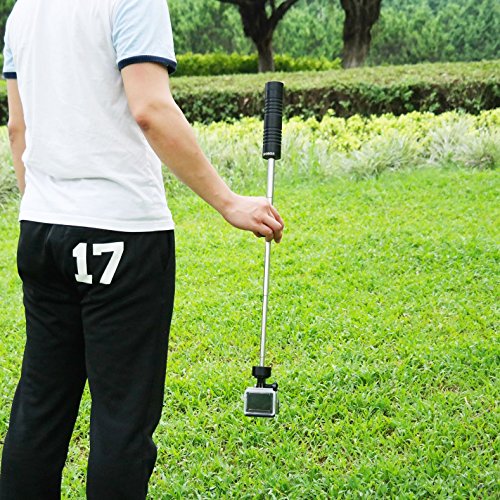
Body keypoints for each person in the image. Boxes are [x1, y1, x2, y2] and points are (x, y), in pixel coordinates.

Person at [0, 0, 284, 498]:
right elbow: (150, 109)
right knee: (122, 418)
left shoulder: (24, 9)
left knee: (40, 406)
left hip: (42, 230)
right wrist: (228, 202)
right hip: (122, 232)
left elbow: (17, 129)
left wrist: (46, 204)